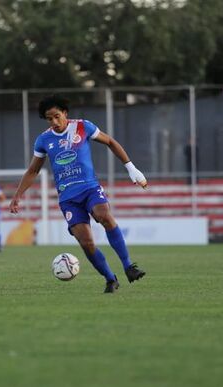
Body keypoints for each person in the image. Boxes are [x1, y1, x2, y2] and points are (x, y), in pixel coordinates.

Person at [9, 95, 147, 293]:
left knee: (103, 215)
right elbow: (32, 171)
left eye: (57, 116)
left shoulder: (83, 127)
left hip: (90, 187)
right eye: (49, 119)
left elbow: (110, 142)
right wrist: (17, 195)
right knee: (86, 242)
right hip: (68, 198)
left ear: (65, 113)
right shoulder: (43, 140)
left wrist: (131, 168)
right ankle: (110, 278)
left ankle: (128, 267)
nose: (54, 122)